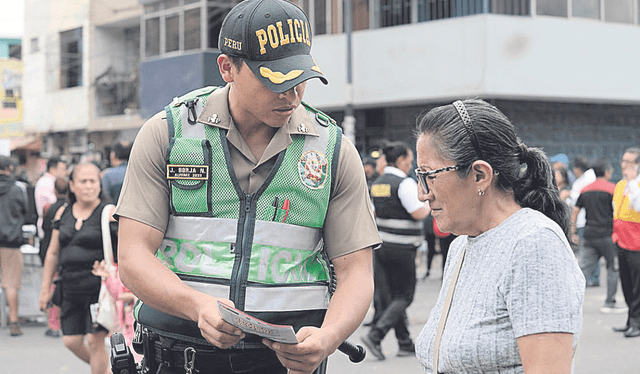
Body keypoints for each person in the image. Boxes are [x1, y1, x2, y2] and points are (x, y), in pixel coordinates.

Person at [114, 1, 380, 373]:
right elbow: (132, 257)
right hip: (180, 358)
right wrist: (197, 306)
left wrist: (329, 336)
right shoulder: (169, 133)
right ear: (228, 68)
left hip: (286, 364)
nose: (292, 95)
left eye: (300, 78)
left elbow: (356, 272)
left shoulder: (332, 149)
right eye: (274, 79)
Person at [414, 99, 585, 374]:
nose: (422, 193)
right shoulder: (461, 246)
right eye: (419, 176)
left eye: (429, 176)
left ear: (480, 175)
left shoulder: (534, 244)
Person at [38, 163, 116, 374]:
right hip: (69, 287)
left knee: (94, 340)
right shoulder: (63, 212)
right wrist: (45, 290)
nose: (89, 186)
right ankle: (105, 370)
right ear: (72, 185)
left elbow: (123, 253)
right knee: (71, 341)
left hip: (97, 290)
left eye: (93, 181)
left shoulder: (109, 213)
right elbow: (53, 253)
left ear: (100, 185)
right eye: (83, 181)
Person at [362, 141, 430, 360]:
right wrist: (430, 203)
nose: (410, 166)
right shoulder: (404, 184)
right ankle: (376, 335)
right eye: (409, 161)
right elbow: (418, 212)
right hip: (402, 248)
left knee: (392, 296)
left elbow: (372, 214)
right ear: (400, 160)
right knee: (404, 296)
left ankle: (404, 343)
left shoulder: (377, 184)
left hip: (381, 247)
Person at [571, 158, 625, 314]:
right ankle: (609, 303)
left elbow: (575, 210)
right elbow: (618, 212)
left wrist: (573, 231)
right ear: (607, 172)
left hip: (589, 235)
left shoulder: (585, 189)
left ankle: (571, 301)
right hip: (608, 236)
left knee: (583, 271)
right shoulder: (612, 189)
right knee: (612, 269)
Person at [611, 147, 640, 338]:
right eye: (624, 161)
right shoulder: (621, 185)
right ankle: (631, 319)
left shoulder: (635, 185)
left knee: (638, 286)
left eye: (629, 162)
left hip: (636, 242)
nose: (624, 165)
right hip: (621, 240)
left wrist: (633, 183)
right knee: (627, 283)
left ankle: (636, 322)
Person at [0, 155, 28, 336]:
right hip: (11, 242)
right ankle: (13, 322)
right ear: (10, 168)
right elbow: (26, 213)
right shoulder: (18, 189)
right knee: (11, 284)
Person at [570, 156, 599, 286]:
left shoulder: (585, 180)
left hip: (584, 220)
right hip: (590, 219)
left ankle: (590, 278)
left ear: (578, 169)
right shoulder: (589, 178)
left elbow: (576, 204)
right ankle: (594, 277)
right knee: (594, 251)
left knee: (587, 252)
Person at [35, 157, 68, 238]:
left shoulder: (47, 181)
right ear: (52, 169)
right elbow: (54, 203)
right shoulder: (47, 182)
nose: (65, 172)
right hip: (48, 224)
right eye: (62, 169)